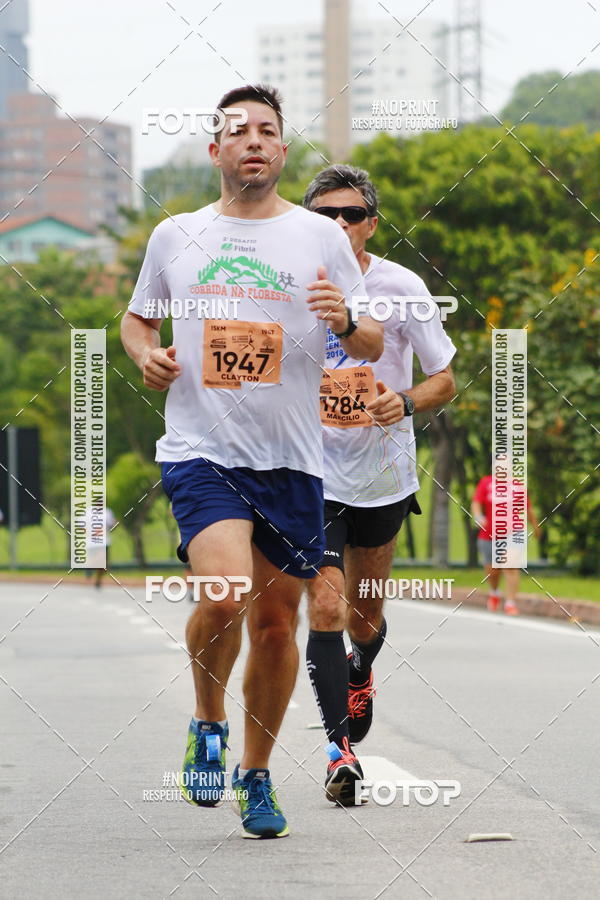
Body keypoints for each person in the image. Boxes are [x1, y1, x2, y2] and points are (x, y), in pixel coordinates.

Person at [121, 85, 382, 838]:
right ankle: (208, 723)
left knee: (275, 625)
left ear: (282, 150)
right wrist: (148, 356)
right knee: (228, 592)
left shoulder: (321, 238)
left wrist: (349, 321)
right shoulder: (177, 235)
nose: (255, 142)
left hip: (292, 461)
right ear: (217, 151)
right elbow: (138, 320)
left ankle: (257, 775)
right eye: (239, 133)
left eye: (268, 131)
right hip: (203, 450)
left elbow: (367, 345)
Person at [303, 165, 456, 805]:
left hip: (382, 475)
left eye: (353, 214)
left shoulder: (402, 286)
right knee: (327, 606)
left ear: (371, 223)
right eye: (326, 215)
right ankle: (341, 751)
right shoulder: (288, 285)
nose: (340, 225)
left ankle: (361, 667)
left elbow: (445, 377)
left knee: (364, 613)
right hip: (309, 471)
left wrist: (407, 402)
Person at [472, 474, 541, 615]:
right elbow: (476, 502)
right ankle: (495, 592)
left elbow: (528, 509)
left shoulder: (517, 486)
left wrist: (536, 527)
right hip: (489, 533)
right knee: (493, 571)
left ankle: (510, 603)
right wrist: (478, 516)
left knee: (510, 566)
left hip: (514, 532)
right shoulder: (486, 483)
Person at [84, 505, 116, 589]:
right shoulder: (87, 512)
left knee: (104, 564)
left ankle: (98, 580)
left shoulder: (107, 512)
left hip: (104, 542)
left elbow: (112, 525)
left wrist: (114, 524)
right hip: (92, 542)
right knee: (95, 561)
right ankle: (89, 568)